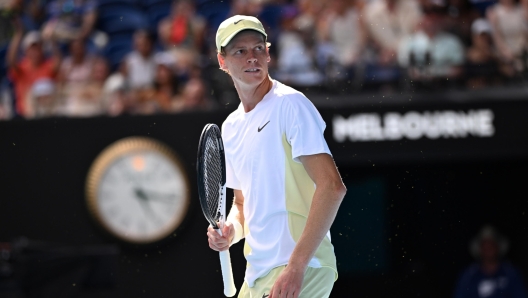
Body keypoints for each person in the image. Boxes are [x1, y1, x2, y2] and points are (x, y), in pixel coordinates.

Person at [206, 15, 347, 298]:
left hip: (300, 267)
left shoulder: (291, 105)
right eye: (240, 51)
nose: (252, 58)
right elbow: (243, 204)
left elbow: (333, 187)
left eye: (258, 48)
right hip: (257, 275)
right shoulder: (231, 127)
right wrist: (230, 231)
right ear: (222, 61)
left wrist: (296, 267)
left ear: (268, 53)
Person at [453, 225, 528, 298]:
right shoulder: (468, 276)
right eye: (484, 245)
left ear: (498, 247)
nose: (488, 248)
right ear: (479, 249)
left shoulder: (511, 274)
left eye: (491, 244)